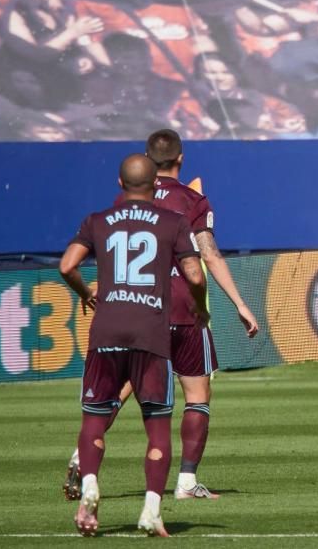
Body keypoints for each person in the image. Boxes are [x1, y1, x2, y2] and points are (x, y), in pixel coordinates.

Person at [63, 130, 260, 505]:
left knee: (124, 387)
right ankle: (186, 480)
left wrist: (96, 291)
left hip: (140, 309)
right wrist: (238, 303)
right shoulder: (192, 200)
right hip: (185, 308)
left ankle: (83, 453)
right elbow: (209, 257)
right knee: (197, 395)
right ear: (181, 160)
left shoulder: (125, 202)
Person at [59, 153, 208, 537]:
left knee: (94, 417)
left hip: (106, 331)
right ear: (154, 186)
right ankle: (151, 510)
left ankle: (90, 484)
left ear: (120, 183)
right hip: (151, 334)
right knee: (157, 426)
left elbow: (66, 266)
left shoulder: (97, 220)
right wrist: (200, 308)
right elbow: (194, 272)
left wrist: (87, 291)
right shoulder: (173, 222)